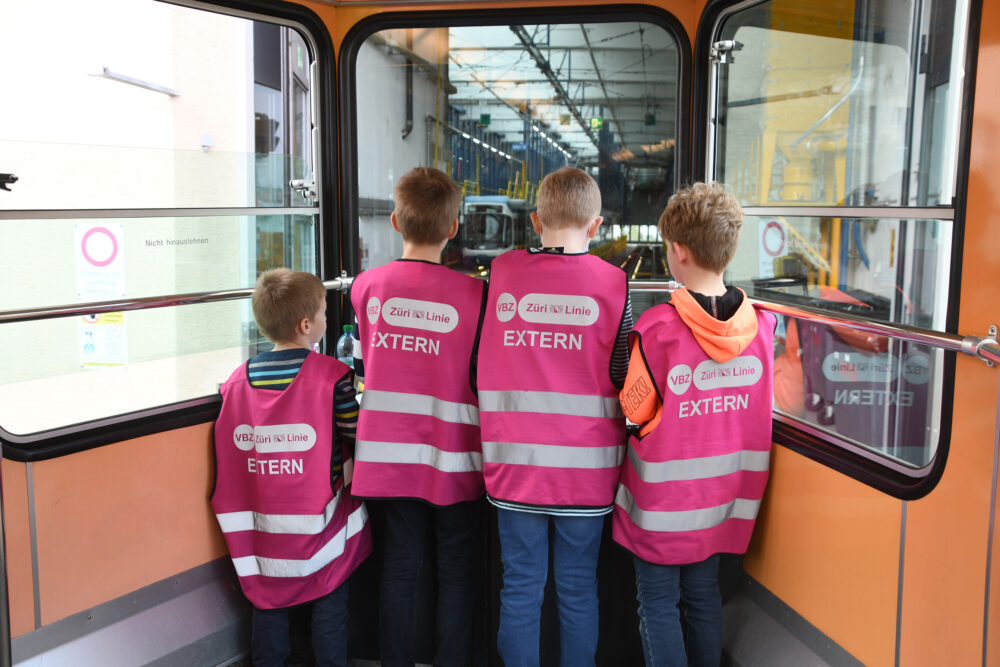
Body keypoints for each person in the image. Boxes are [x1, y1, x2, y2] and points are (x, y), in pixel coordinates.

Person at [612, 182, 776, 667]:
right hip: (724, 501)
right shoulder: (762, 330)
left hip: (663, 507)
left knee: (658, 604)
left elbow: (635, 409)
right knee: (704, 596)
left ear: (677, 252)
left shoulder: (656, 330)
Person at [477, 166, 633, 667]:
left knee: (520, 589)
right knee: (578, 590)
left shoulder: (499, 274)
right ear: (596, 225)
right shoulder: (615, 286)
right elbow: (625, 374)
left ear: (537, 219)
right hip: (585, 472)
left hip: (515, 465)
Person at [350, 167, 487, 667]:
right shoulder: (476, 297)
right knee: (456, 573)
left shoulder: (367, 288)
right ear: (454, 228)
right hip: (453, 457)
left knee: (400, 569)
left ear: (394, 221)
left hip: (387, 457)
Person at [211, 268, 371, 667]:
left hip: (262, 539)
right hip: (323, 531)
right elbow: (358, 435)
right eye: (322, 312)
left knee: (267, 606)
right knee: (330, 607)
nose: (325, 319)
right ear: (307, 326)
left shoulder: (235, 383)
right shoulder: (334, 379)